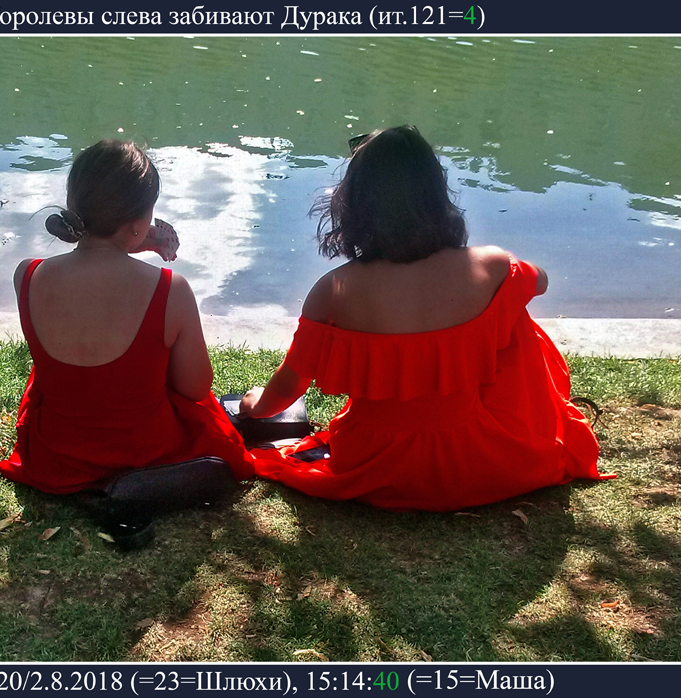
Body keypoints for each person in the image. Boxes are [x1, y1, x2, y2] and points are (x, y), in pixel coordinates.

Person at [240, 126, 614, 511]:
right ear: (437, 195)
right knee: (513, 305)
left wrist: (257, 406)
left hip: (373, 462)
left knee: (509, 305)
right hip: (476, 461)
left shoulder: (332, 290)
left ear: (353, 204)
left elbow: (292, 382)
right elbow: (541, 282)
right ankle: (533, 420)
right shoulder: (492, 266)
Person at [0, 139, 255, 494]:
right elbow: (195, 387)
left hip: (56, 454)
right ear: (139, 221)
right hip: (146, 455)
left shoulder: (27, 275)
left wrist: (132, 238)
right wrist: (134, 239)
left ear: (74, 203)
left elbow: (92, 274)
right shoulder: (171, 289)